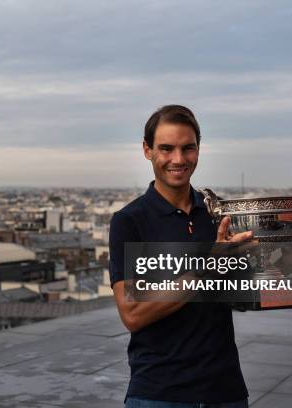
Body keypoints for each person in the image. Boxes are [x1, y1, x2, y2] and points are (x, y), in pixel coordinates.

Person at [109, 105, 254, 408]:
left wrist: (289, 251)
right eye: (166, 148)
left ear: (199, 149)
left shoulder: (217, 214)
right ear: (147, 150)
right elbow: (133, 314)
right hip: (160, 393)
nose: (178, 159)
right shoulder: (130, 221)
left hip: (224, 389)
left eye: (188, 148)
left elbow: (241, 296)